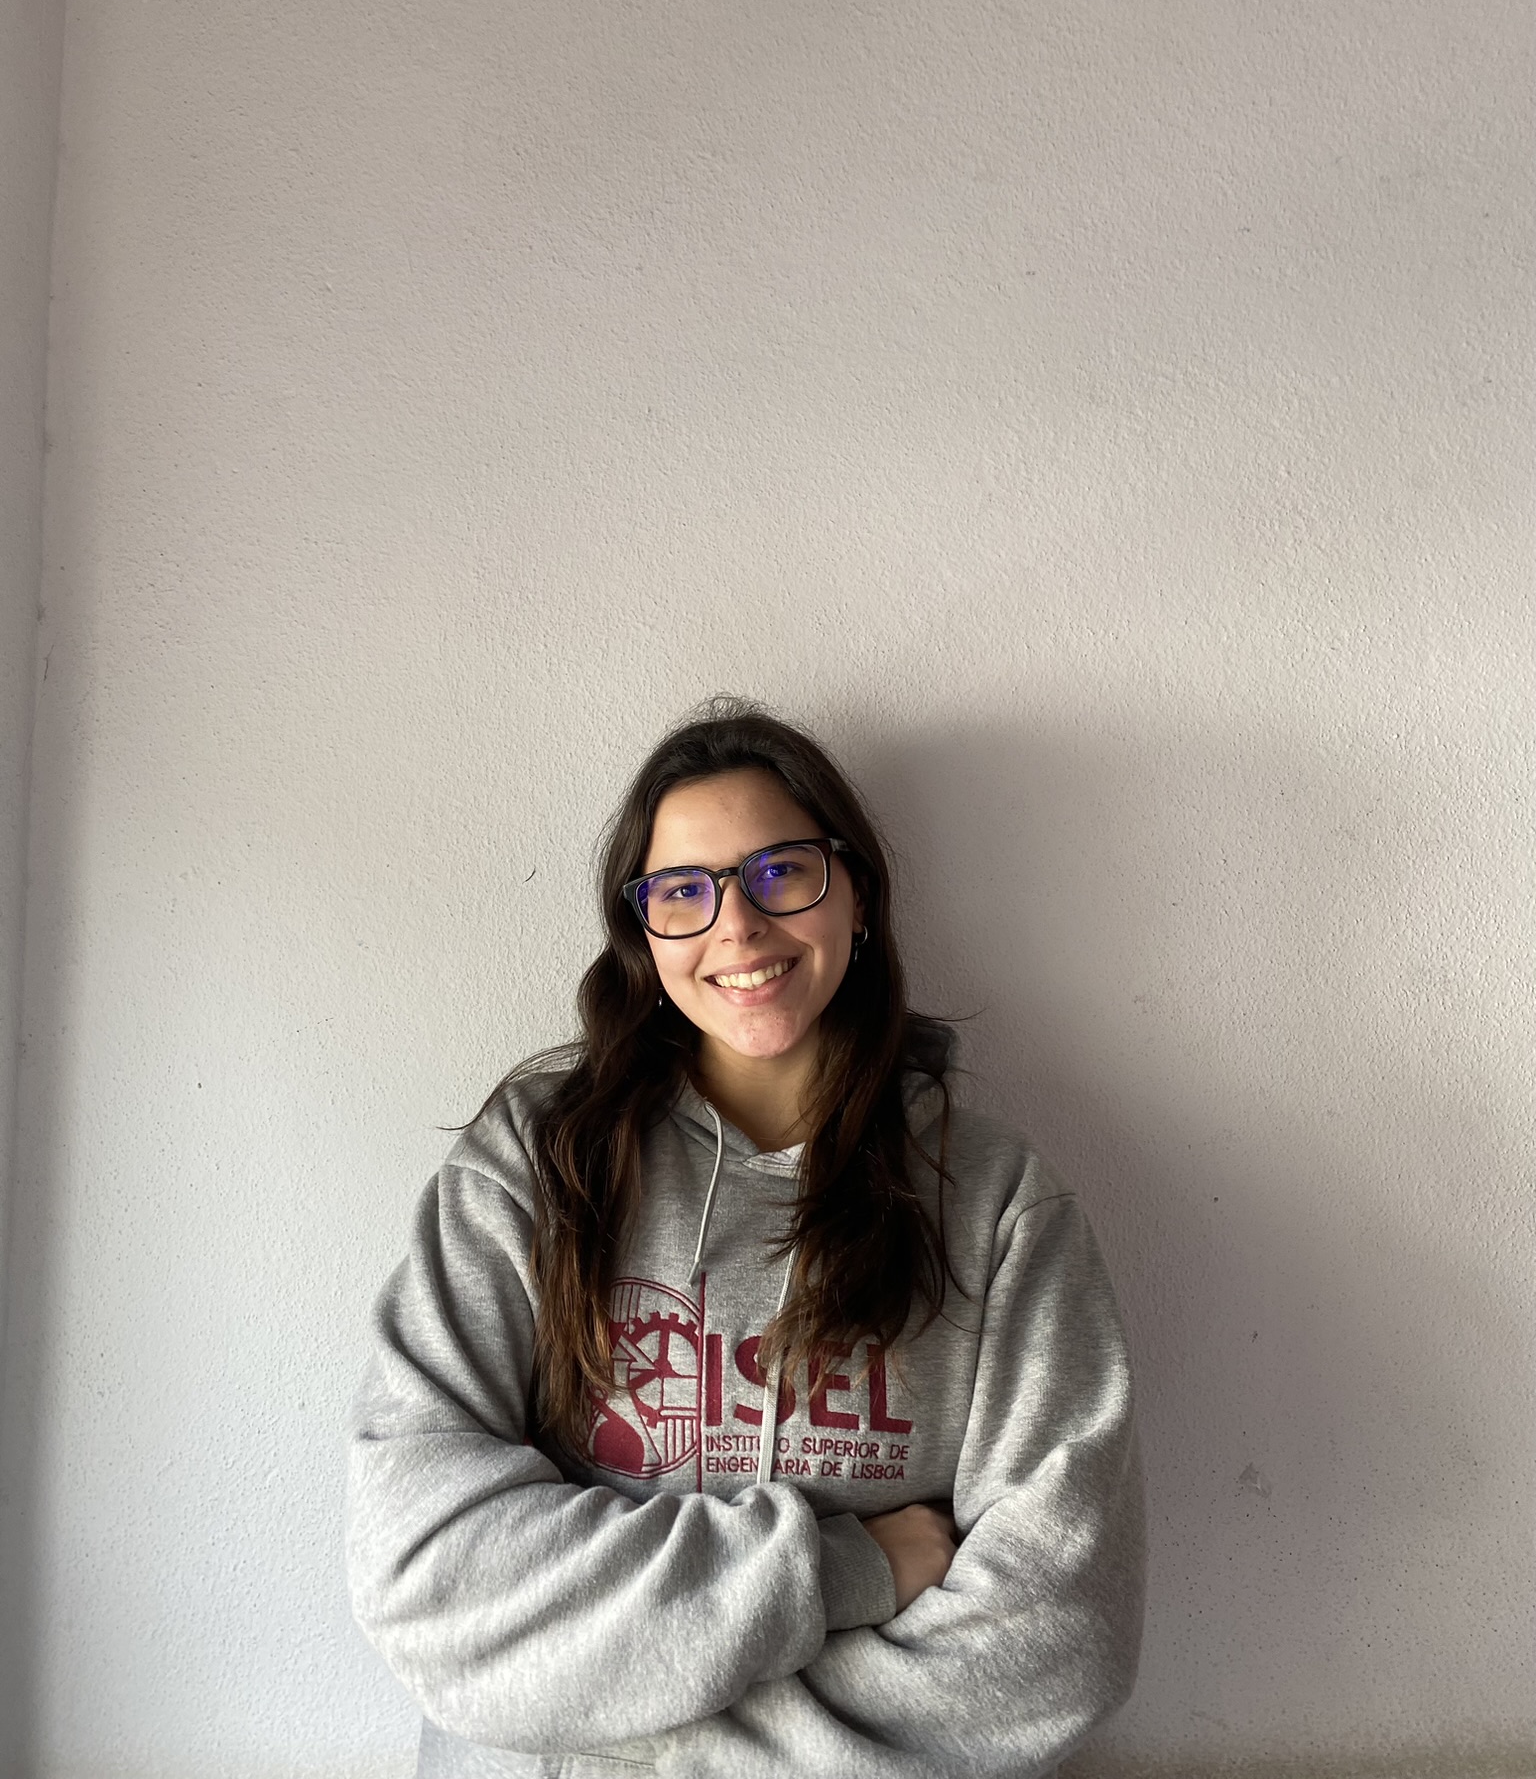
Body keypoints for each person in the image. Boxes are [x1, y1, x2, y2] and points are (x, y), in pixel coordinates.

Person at [346, 699, 1146, 1778]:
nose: (738, 924)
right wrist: (850, 1566)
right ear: (644, 935)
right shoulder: (533, 1168)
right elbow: (426, 1574)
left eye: (782, 871)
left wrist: (610, 1728)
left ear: (856, 896)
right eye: (684, 890)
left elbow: (1060, 1637)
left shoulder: (996, 1202)